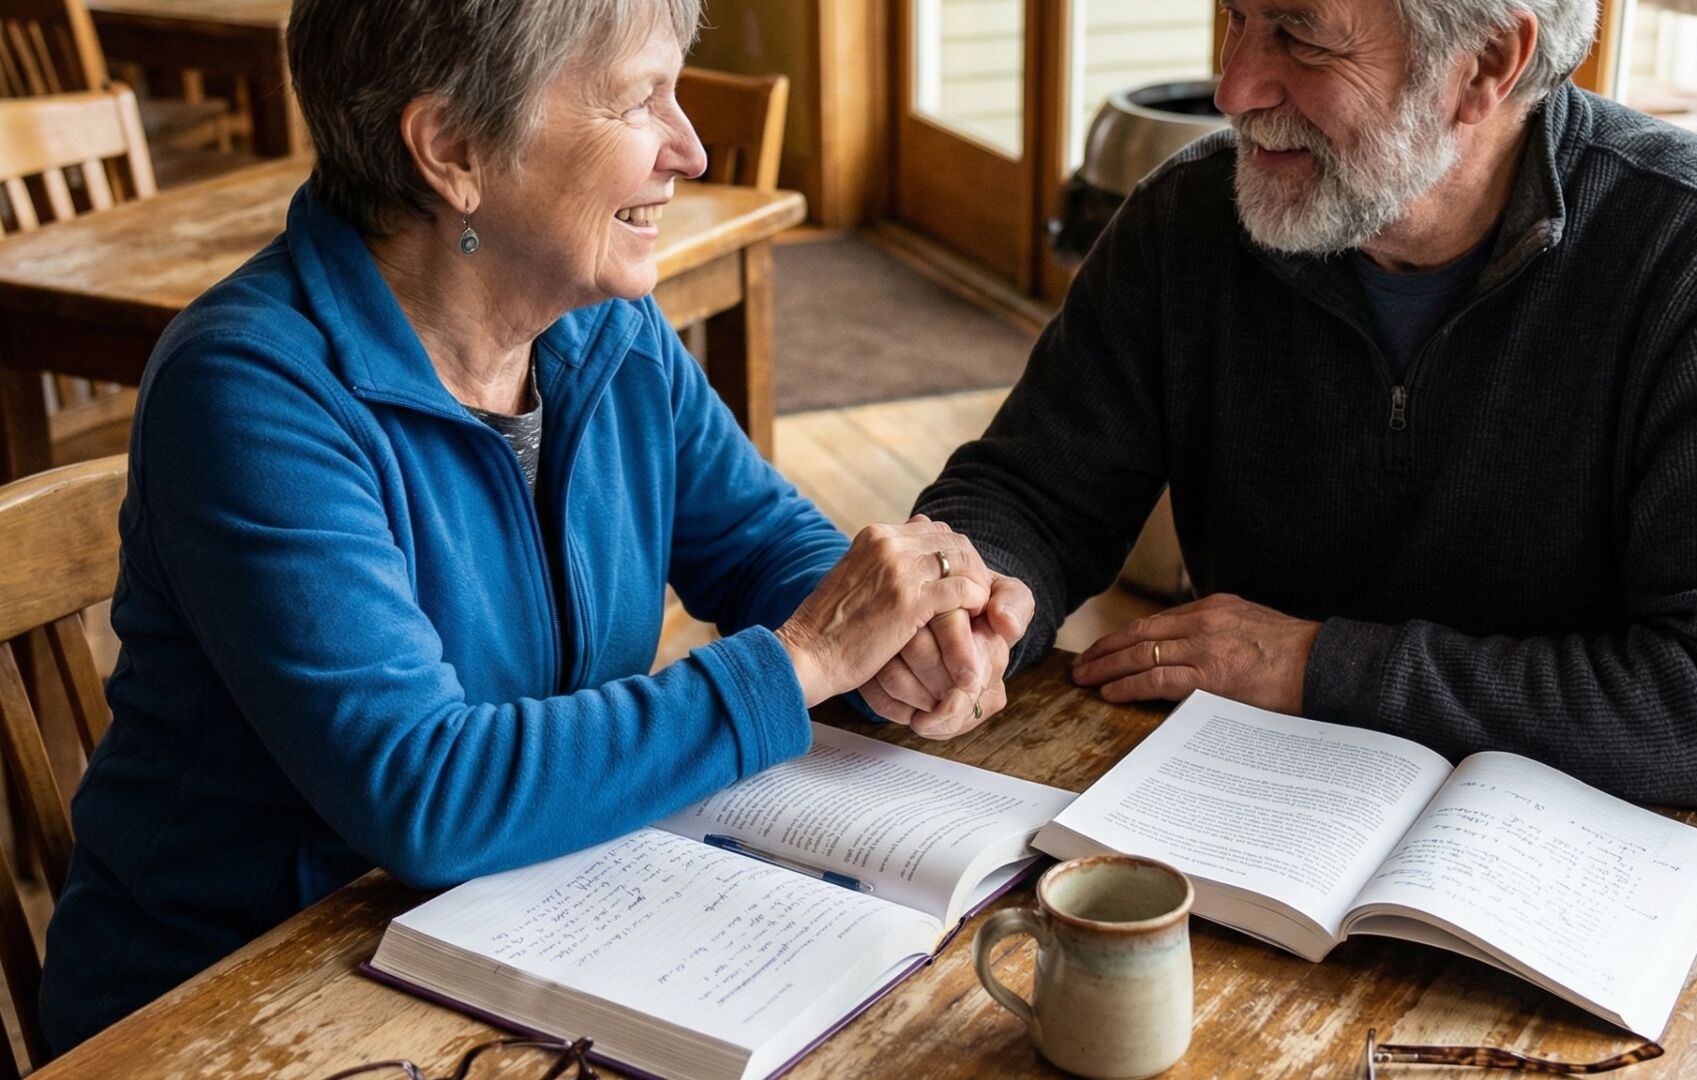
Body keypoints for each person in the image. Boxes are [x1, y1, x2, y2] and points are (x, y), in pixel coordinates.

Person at [39, 0, 1005, 1050]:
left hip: (517, 933)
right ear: (453, 148)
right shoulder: (252, 389)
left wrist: (899, 638)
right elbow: (429, 791)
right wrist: (809, 656)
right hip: (238, 1008)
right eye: (640, 100)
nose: (686, 148)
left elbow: (759, 544)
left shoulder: (601, 321)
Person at [891, 0, 1697, 819]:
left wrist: (1316, 668)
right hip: (1245, 818)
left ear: (1484, 66)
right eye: (1236, 18)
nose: (1232, 89)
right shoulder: (1188, 222)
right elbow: (1031, 490)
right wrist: (965, 598)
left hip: (1575, 870)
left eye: (1301, 37)